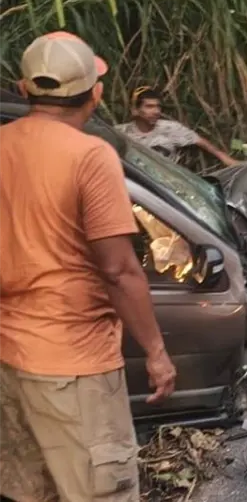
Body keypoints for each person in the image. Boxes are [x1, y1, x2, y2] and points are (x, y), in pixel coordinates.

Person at [0, 31, 177, 501]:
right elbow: (118, 270)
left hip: (10, 357)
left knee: (30, 492)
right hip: (74, 366)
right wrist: (156, 352)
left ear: (23, 89)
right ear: (96, 94)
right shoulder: (91, 155)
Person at [115, 86, 240, 167]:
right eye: (149, 107)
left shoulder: (171, 128)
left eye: (158, 107)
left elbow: (200, 141)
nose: (156, 111)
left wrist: (225, 159)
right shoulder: (120, 133)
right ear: (135, 110)